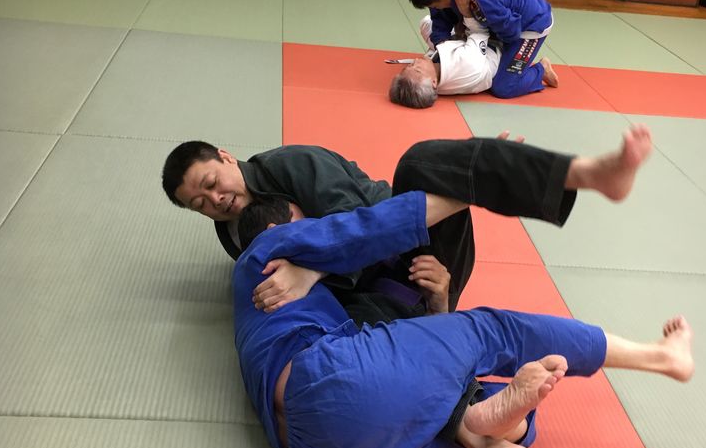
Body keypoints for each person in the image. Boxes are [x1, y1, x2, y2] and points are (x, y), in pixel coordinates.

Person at [228, 178, 693, 448]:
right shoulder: (268, 249)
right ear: (277, 230)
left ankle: (486, 441)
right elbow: (366, 230)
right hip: (331, 383)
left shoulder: (263, 309)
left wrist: (439, 301)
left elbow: (404, 373)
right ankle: (656, 356)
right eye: (306, 223)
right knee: (493, 331)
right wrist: (477, 186)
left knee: (464, 406)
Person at [162, 128, 646, 320]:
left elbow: (361, 224)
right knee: (352, 333)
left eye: (211, 182)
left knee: (416, 163)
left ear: (226, 156)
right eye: (199, 204)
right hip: (380, 293)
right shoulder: (230, 232)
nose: (215, 200)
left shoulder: (293, 164)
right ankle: (480, 178)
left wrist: (311, 269)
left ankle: (585, 173)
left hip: (416, 242)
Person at [391, 0, 559, 109]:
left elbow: (511, 34)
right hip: (499, 18)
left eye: (434, 5)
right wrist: (444, 46)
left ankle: (541, 70)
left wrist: (467, 16)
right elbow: (439, 21)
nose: (434, 8)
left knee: (503, 87)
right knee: (439, 22)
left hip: (531, 24)